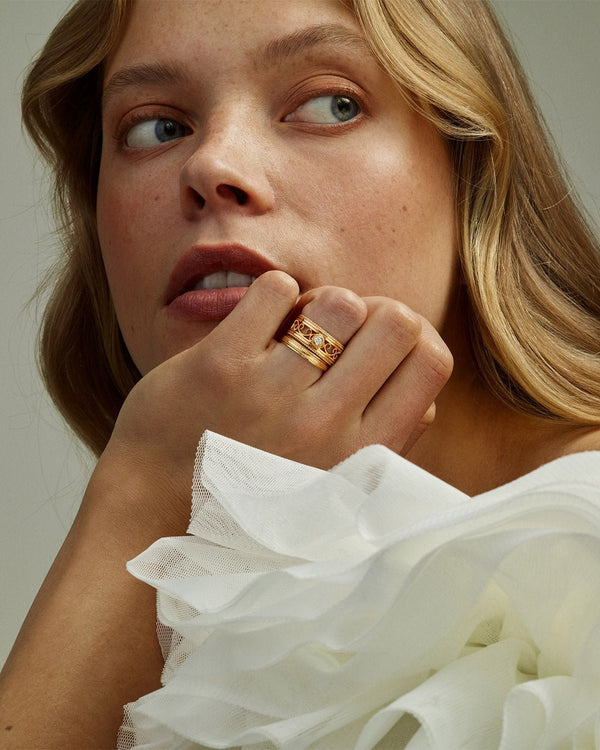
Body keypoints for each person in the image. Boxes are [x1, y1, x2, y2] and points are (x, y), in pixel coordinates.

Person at [1, 0, 600, 747]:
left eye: (330, 104)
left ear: (471, 167)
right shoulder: (184, 613)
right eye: (156, 127)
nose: (210, 165)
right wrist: (141, 501)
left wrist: (148, 498)